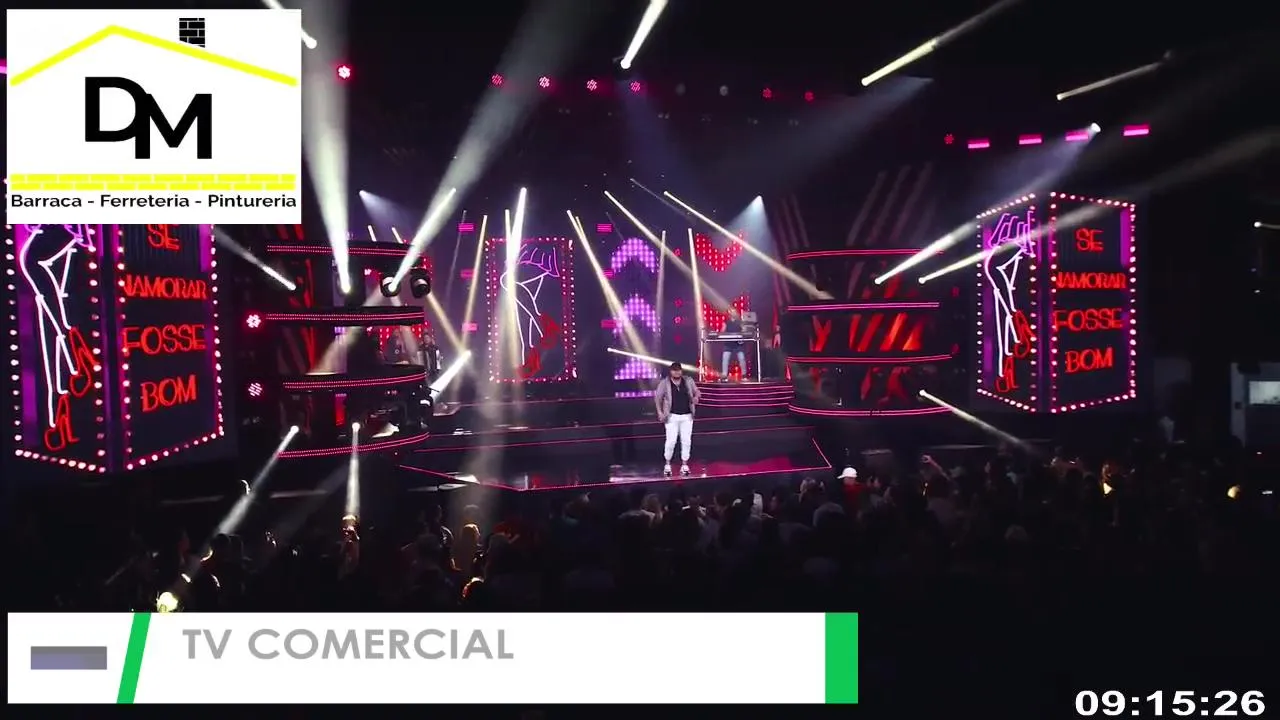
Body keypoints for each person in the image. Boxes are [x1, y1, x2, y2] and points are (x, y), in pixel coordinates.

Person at [654, 361, 700, 476]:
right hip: (671, 416)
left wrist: (696, 397)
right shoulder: (665, 383)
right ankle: (667, 464)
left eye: (678, 370)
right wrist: (660, 412)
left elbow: (697, 392)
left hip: (687, 416)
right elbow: (658, 398)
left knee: (686, 441)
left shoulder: (688, 381)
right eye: (674, 370)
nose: (677, 372)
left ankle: (684, 465)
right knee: (671, 441)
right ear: (671, 371)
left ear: (681, 371)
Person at [719, 307, 748, 382]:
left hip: (738, 343)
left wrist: (743, 331)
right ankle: (724, 376)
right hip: (728, 343)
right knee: (725, 359)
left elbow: (744, 331)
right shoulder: (726, 322)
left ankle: (744, 375)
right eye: (732, 311)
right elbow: (722, 331)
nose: (733, 313)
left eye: (734, 311)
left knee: (742, 358)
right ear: (729, 313)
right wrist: (720, 332)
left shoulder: (740, 322)